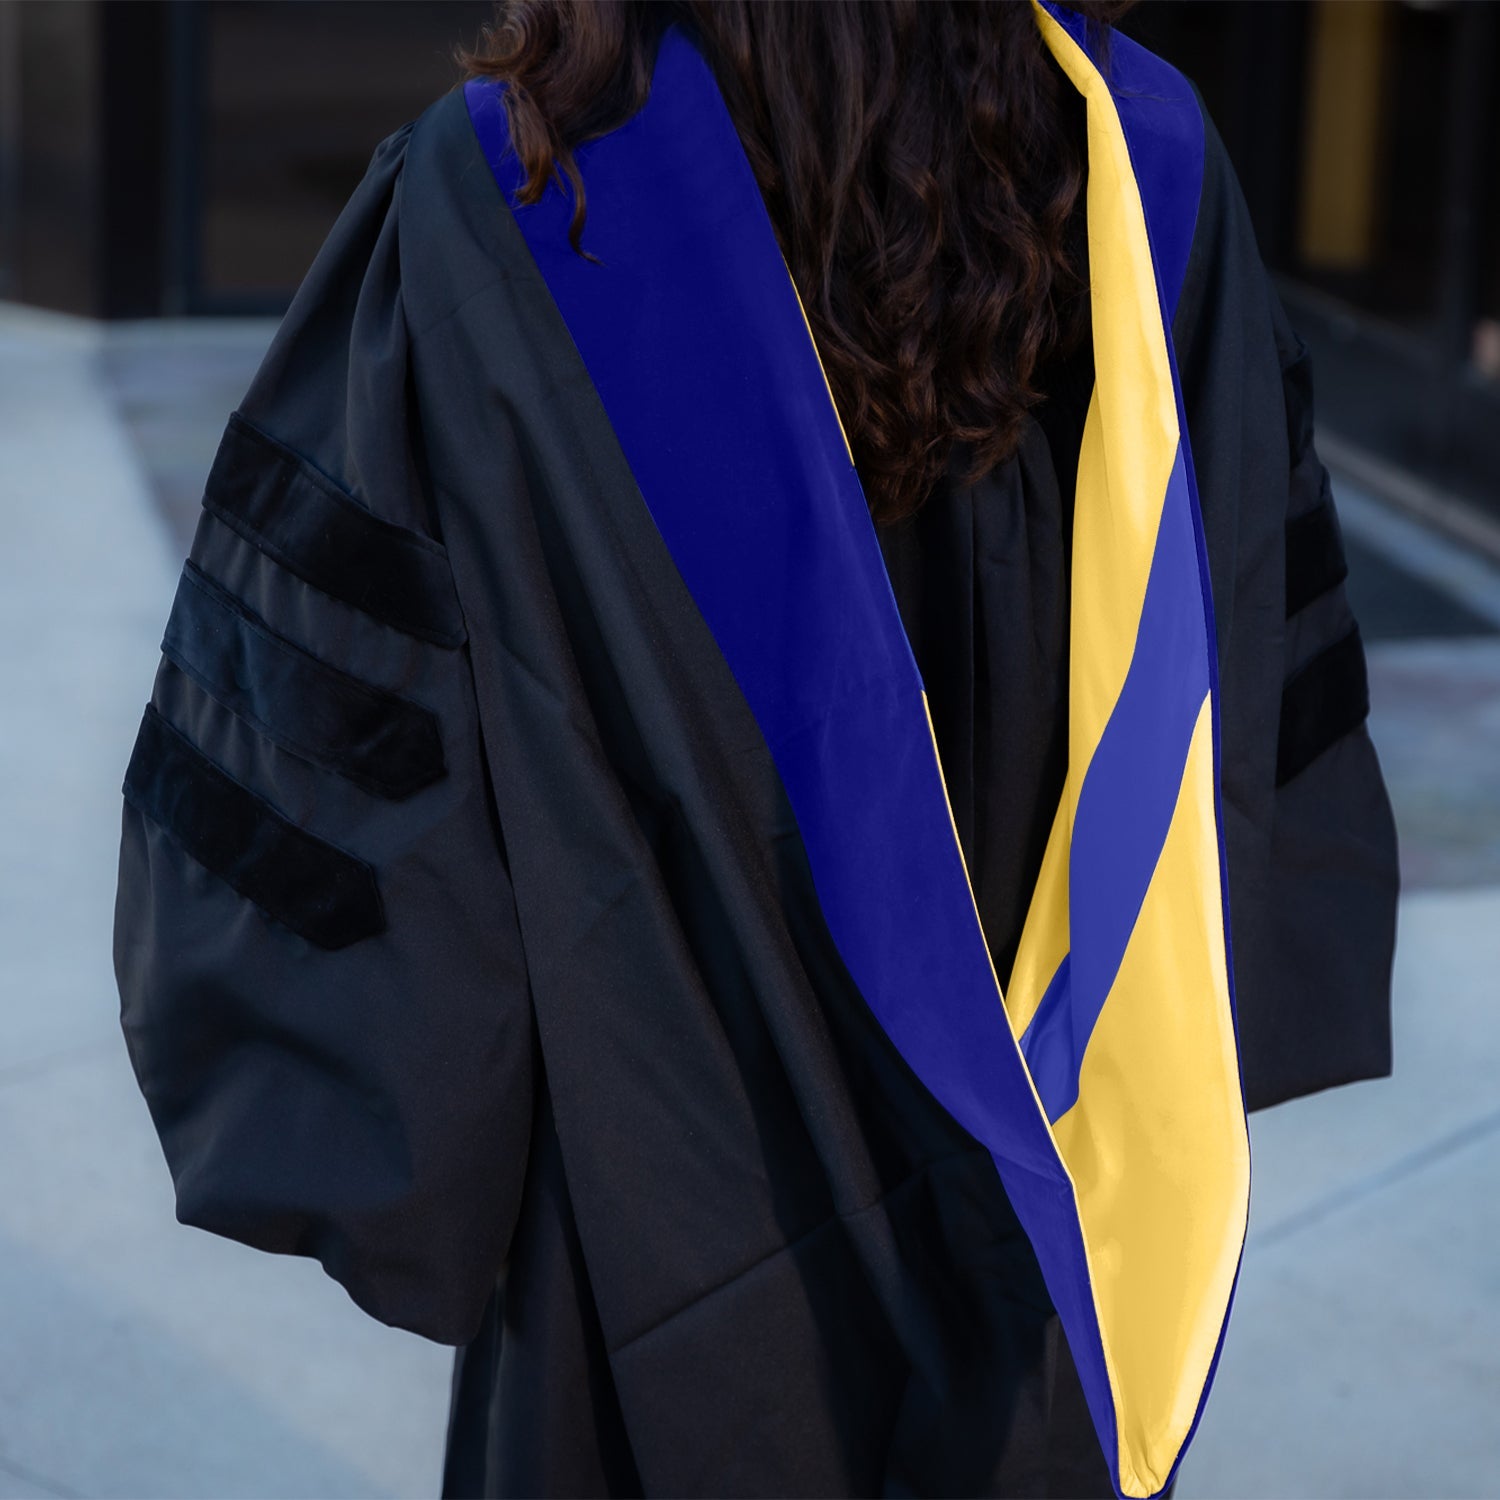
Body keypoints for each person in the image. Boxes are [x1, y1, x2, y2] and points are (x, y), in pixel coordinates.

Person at [111, 3, 1399, 1497]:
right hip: (1051, 1206)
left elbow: (364, 785)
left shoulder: (509, 201)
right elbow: (1240, 684)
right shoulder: (1136, 169)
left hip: (648, 1202)